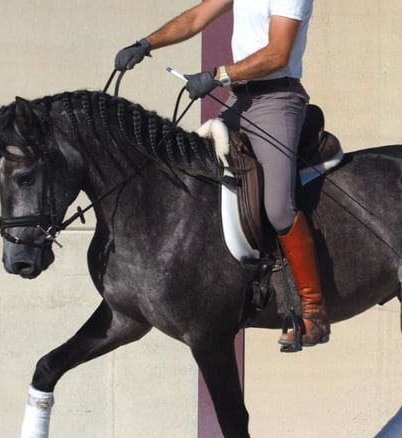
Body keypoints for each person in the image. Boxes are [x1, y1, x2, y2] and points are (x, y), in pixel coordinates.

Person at [114, 0, 330, 349]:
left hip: (276, 99)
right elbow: (197, 16)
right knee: (196, 177)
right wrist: (146, 44)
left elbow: (277, 54)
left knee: (277, 206)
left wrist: (218, 75)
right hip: (239, 99)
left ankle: (313, 309)